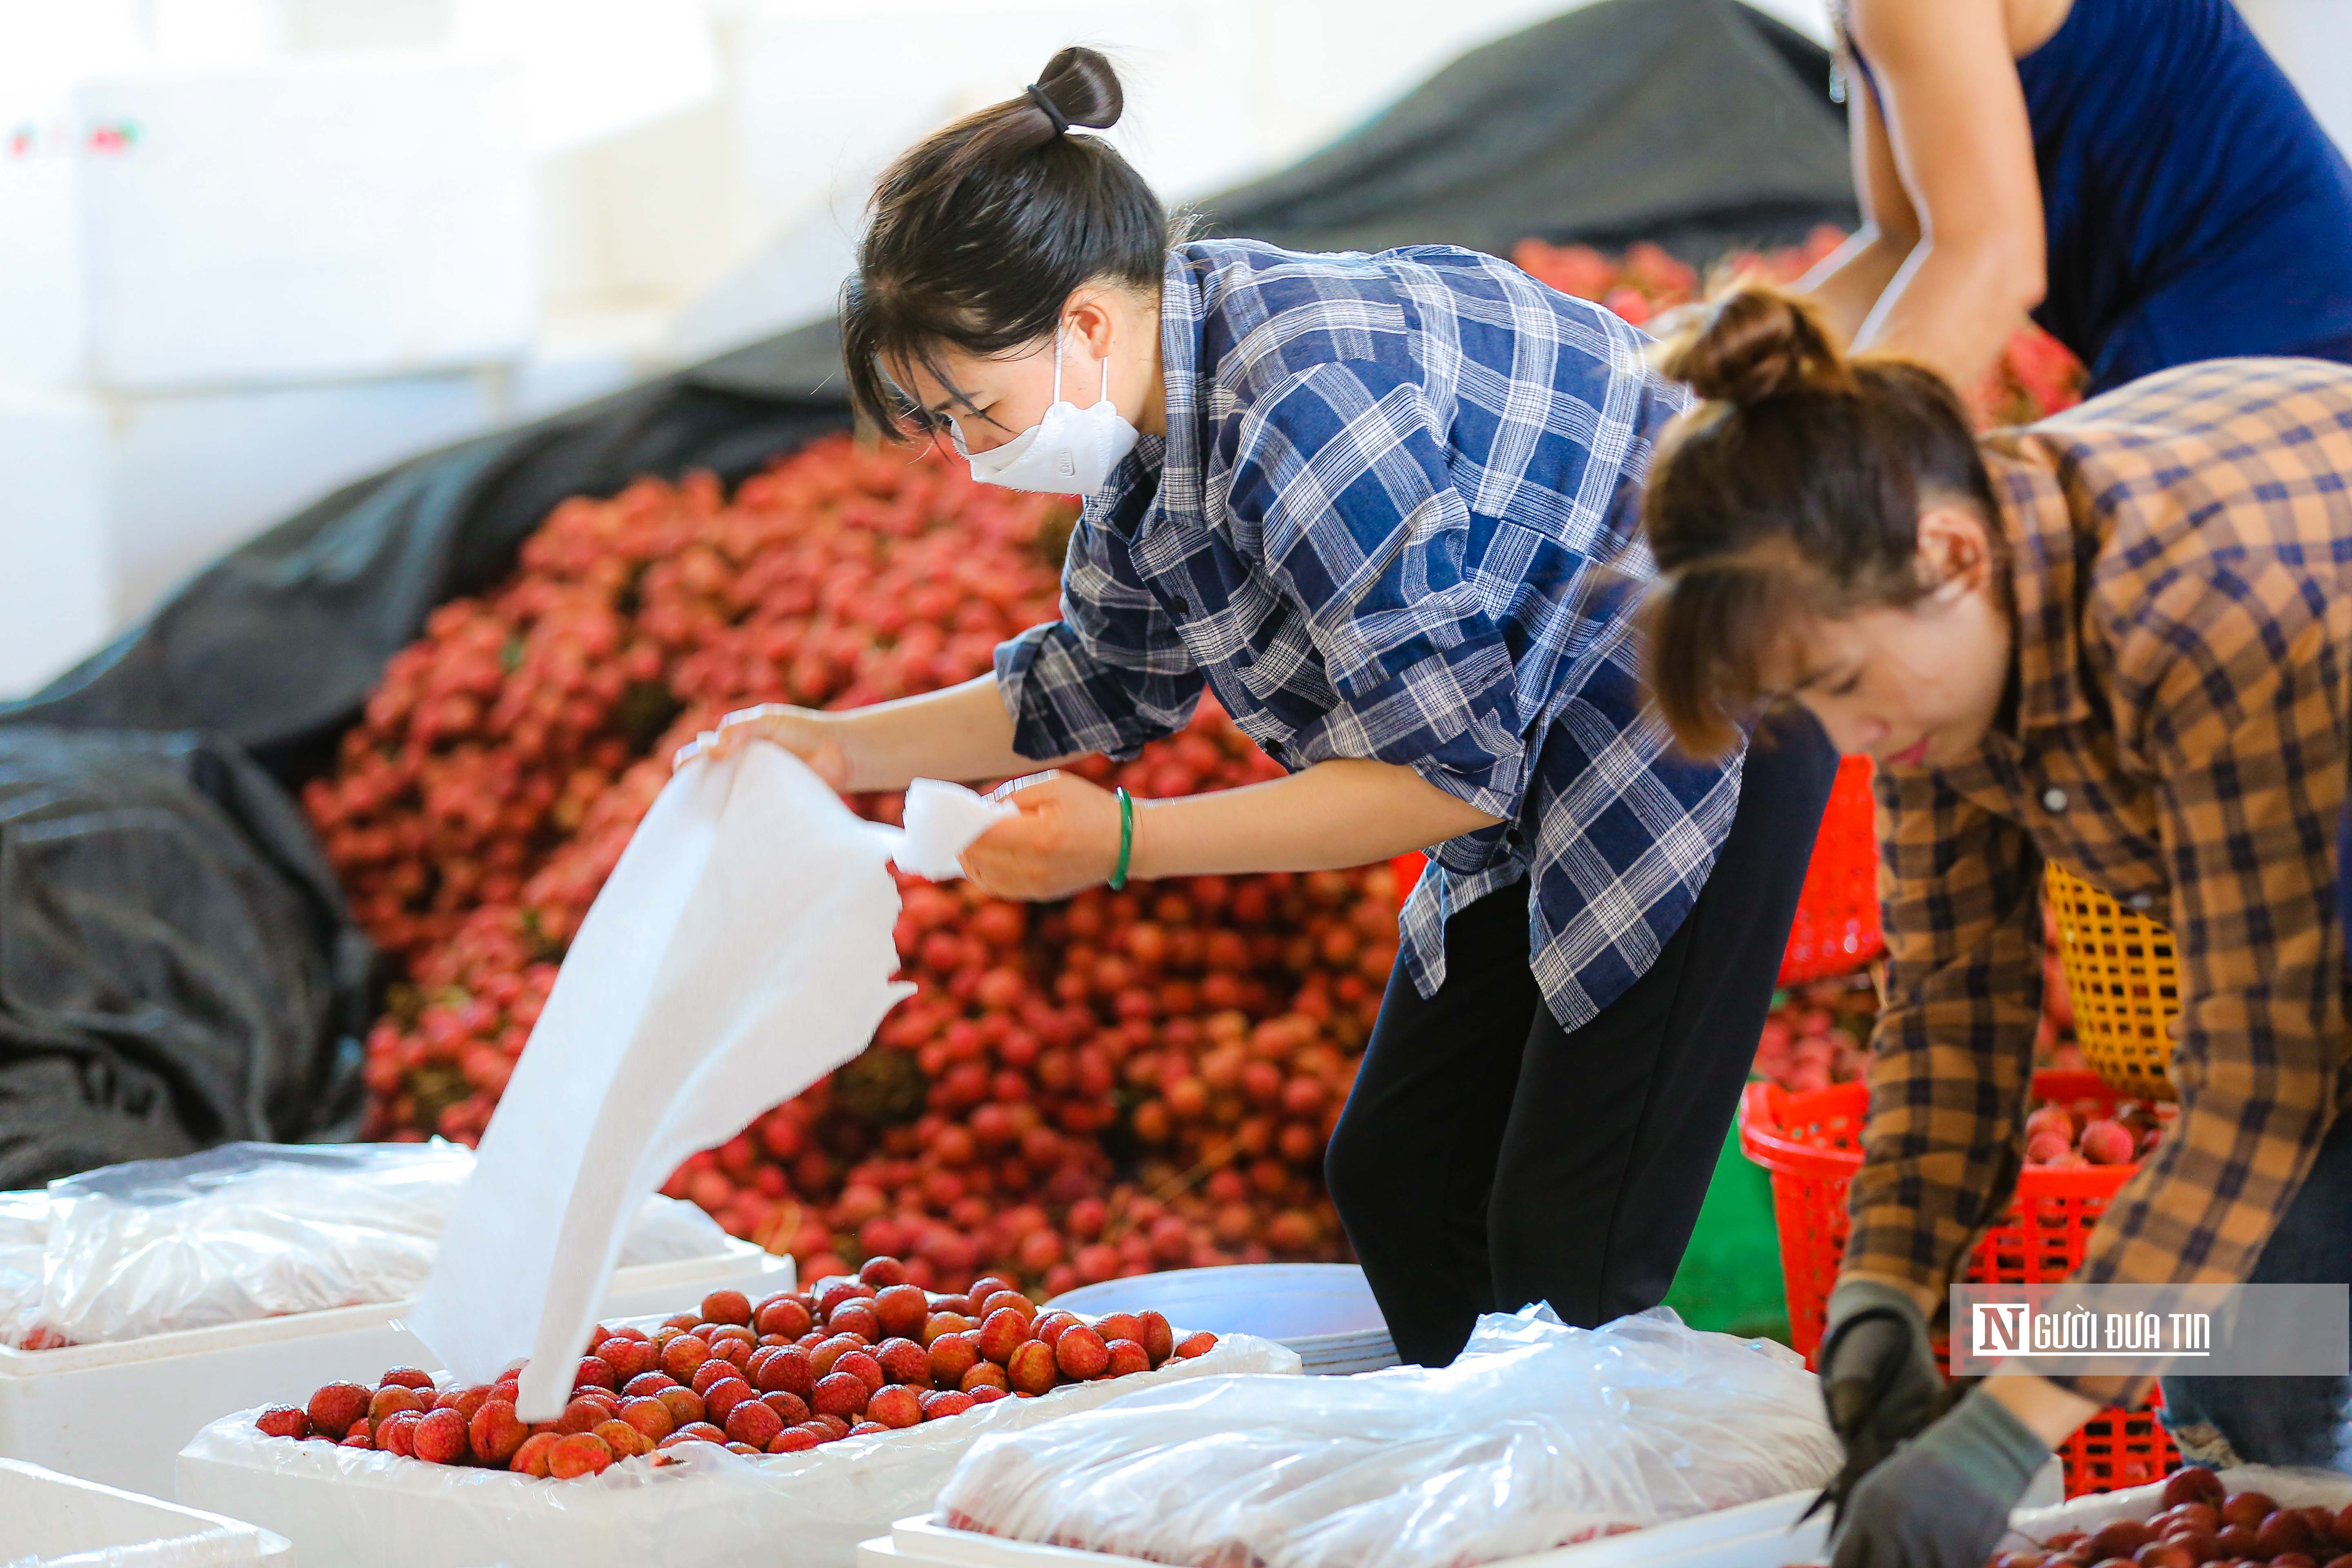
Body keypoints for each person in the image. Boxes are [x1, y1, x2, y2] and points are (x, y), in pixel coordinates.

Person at [686, 47, 1835, 1368]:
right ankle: (1489, 1481)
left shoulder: (1302, 400)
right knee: (1401, 1177)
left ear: (1084, 328)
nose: (966, 455)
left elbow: (1447, 778)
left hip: (1697, 694)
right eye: (936, 422)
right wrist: (834, 746)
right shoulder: (1153, 428)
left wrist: (1125, 848)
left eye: (971, 408)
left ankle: (1606, 1513)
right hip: (1539, 725)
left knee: (1569, 1249)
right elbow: (1092, 682)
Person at [1635, 285, 2352, 1567]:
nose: (1853, 742)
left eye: (1845, 688)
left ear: (1956, 556)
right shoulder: (1934, 640)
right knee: (2260, 1359)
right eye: (1808, 706)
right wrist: (1886, 1292)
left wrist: (2010, 1426)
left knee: (2294, 1315)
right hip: (2314, 906)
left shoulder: (2201, 615)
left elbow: (2268, 1091)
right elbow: (1953, 1008)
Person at [1799, 0, 2352, 394]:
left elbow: (1994, 263)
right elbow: (1904, 240)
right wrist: (1744, 348)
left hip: (2272, 326)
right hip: (2232, 317)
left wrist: (1833, 442)